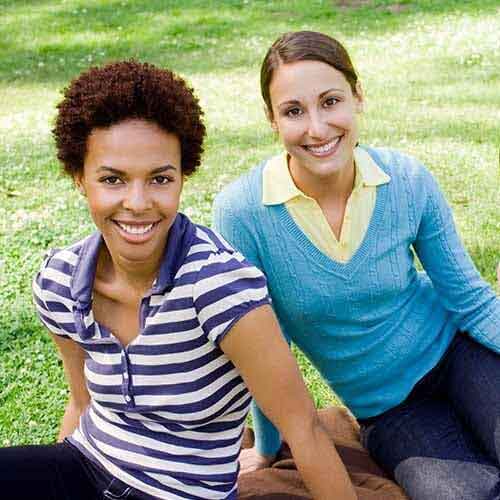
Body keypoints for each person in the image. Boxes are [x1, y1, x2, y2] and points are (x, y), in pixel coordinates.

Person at [0, 61, 356, 500]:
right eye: (112, 179)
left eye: (160, 179)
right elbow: (81, 402)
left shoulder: (220, 287)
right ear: (80, 179)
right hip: (88, 464)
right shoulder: (59, 281)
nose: (137, 202)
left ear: (182, 177)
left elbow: (304, 430)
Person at [213, 31, 500, 500]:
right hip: (388, 410)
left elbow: (471, 300)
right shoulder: (243, 213)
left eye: (330, 102)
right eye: (293, 111)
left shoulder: (407, 180)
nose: (317, 128)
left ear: (357, 97)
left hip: (461, 353)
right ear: (272, 120)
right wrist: (266, 447)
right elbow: (269, 351)